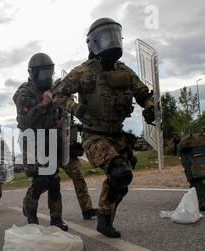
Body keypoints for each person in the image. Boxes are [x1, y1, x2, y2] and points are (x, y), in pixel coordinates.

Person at [52, 18, 156, 238]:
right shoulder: (83, 72)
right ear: (94, 42)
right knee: (119, 170)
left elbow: (144, 95)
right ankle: (104, 219)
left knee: (121, 180)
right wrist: (76, 108)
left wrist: (149, 108)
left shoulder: (124, 71)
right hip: (94, 136)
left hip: (117, 135)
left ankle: (104, 220)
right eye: (106, 36)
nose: (111, 40)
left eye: (113, 35)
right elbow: (57, 94)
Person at [13, 52, 68, 231]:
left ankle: (56, 219)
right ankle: (30, 212)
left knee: (54, 179)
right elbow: (26, 120)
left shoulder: (53, 89)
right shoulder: (24, 93)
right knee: (40, 178)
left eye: (49, 73)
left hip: (50, 137)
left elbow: (59, 111)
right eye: (43, 74)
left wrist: (59, 120)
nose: (47, 78)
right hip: (32, 138)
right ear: (33, 74)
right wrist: (43, 104)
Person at [53, 79, 98, 220]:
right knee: (48, 183)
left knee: (78, 177)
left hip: (67, 151)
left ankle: (87, 209)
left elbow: (69, 125)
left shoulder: (69, 108)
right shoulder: (50, 109)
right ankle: (53, 216)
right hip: (52, 151)